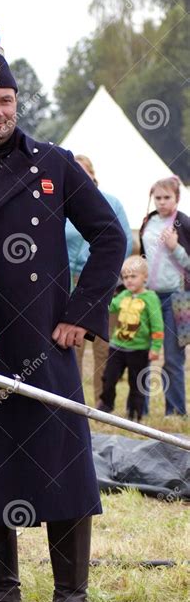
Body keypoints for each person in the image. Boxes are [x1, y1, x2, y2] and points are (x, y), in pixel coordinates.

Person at [0, 21, 127, 602]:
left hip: (46, 343)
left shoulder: (56, 164)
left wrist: (82, 315)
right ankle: (3, 593)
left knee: (63, 465)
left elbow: (108, 236)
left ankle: (70, 593)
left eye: (7, 101)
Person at [66, 155, 133, 405]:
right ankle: (73, 401)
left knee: (103, 345)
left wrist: (100, 269)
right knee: (72, 344)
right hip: (70, 281)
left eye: (83, 172)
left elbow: (123, 240)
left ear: (93, 175)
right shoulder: (62, 201)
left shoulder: (111, 202)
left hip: (103, 282)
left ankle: (103, 402)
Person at [140, 176, 190, 416]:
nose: (161, 202)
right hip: (148, 295)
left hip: (177, 297)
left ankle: (176, 410)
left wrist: (175, 247)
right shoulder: (148, 222)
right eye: (157, 198)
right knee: (141, 351)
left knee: (172, 356)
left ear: (177, 198)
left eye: (166, 197)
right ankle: (139, 409)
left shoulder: (183, 223)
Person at [97, 256, 163, 421]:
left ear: (145, 277)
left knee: (137, 383)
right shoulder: (124, 294)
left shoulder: (151, 298)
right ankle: (106, 404)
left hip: (139, 350)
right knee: (109, 377)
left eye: (133, 276)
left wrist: (155, 348)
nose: (129, 281)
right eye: (125, 277)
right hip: (117, 347)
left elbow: (157, 325)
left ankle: (134, 413)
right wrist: (101, 298)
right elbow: (111, 307)